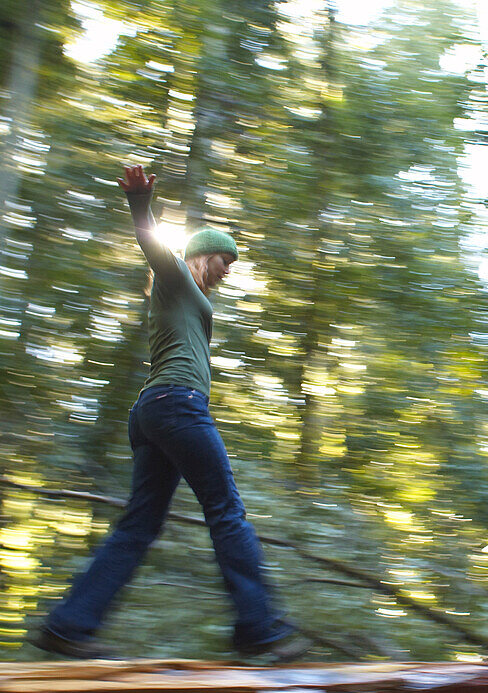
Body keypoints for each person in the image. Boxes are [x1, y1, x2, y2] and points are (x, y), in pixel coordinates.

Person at [31, 164, 309, 662]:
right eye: (225, 259)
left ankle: (68, 626)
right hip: (176, 405)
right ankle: (258, 628)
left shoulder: (190, 296)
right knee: (226, 511)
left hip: (155, 411)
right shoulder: (177, 276)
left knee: (140, 525)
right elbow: (153, 246)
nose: (229, 269)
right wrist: (141, 203)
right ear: (201, 256)